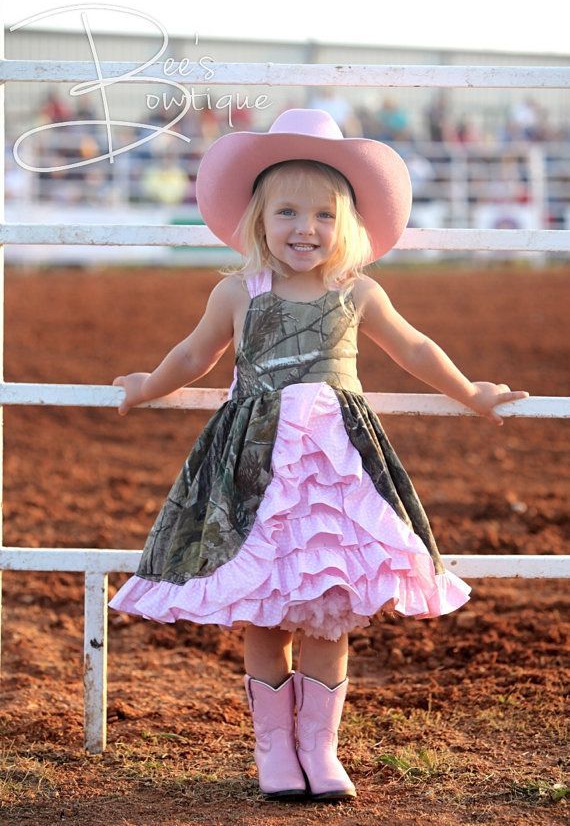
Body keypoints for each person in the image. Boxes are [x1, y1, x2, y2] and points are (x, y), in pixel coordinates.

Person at [108, 109, 529, 802]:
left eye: (323, 215)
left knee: (330, 609)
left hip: (334, 477)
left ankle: (319, 747)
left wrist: (470, 389)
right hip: (255, 475)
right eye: (287, 212)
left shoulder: (357, 292)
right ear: (258, 219)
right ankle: (274, 749)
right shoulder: (237, 293)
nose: (305, 228)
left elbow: (416, 348)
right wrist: (146, 386)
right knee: (268, 613)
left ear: (348, 225)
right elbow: (193, 354)